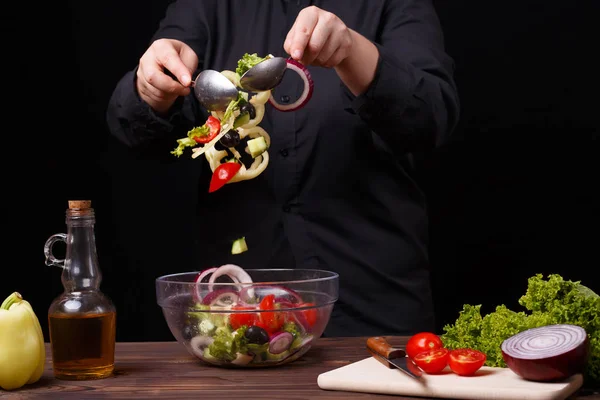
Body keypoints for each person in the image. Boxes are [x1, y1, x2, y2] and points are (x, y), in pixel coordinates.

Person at [106, 0, 460, 337]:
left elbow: (431, 119)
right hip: (235, 307)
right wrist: (151, 89)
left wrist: (351, 51)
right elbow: (135, 133)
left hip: (373, 301)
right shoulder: (205, 6)